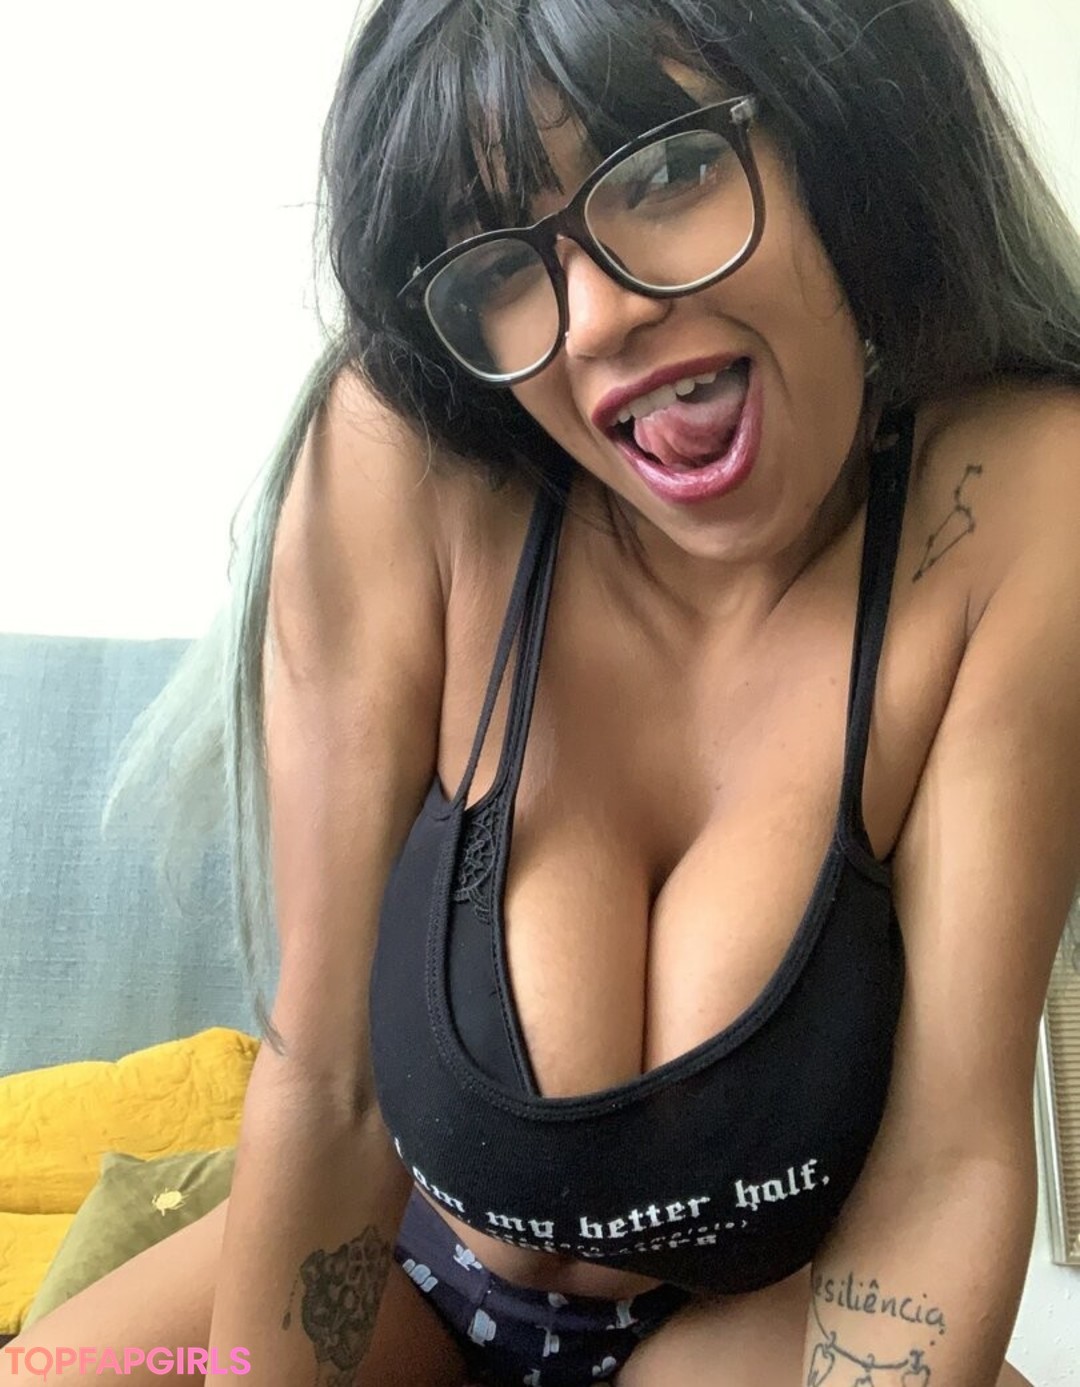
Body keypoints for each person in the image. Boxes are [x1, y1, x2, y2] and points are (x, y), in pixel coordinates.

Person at [9, 0, 1080, 1383]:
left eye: (670, 168)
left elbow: (947, 1158)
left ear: (846, 135)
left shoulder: (1021, 500)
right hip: (397, 1269)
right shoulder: (405, 456)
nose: (598, 318)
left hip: (748, 1331)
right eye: (501, 257)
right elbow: (328, 1088)